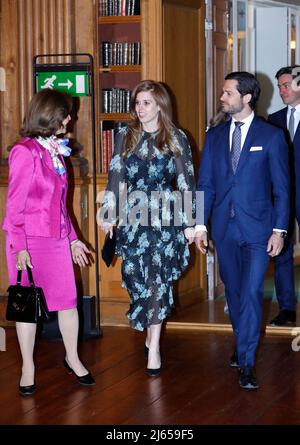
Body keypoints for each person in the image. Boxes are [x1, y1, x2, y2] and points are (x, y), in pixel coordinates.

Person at [195, 71, 290, 390]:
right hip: (224, 229)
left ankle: (247, 362)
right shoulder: (215, 135)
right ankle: (242, 339)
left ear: (247, 97)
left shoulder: (272, 136)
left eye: (227, 93)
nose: (222, 98)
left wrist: (279, 230)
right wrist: (198, 224)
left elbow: (282, 188)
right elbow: (204, 184)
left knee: (251, 293)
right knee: (234, 294)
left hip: (259, 231)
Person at [2, 89, 95, 396]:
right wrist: (19, 247)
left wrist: (72, 240)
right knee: (28, 308)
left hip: (55, 240)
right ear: (51, 116)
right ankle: (28, 367)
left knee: (68, 303)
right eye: (66, 114)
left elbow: (59, 204)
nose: (70, 118)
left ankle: (73, 357)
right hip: (27, 242)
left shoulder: (56, 150)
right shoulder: (24, 152)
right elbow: (14, 206)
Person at [99, 80, 195, 377]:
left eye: (146, 103)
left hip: (166, 218)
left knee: (158, 281)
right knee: (137, 279)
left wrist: (192, 224)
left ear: (160, 106)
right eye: (137, 103)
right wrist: (108, 214)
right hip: (134, 215)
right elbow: (116, 174)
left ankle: (153, 346)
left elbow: (186, 181)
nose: (140, 108)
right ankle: (149, 328)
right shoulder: (125, 135)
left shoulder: (176, 136)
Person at [267, 65, 300, 326]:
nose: (282, 90)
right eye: (279, 86)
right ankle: (287, 307)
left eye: (286, 84)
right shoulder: (273, 120)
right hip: (282, 197)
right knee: (282, 251)